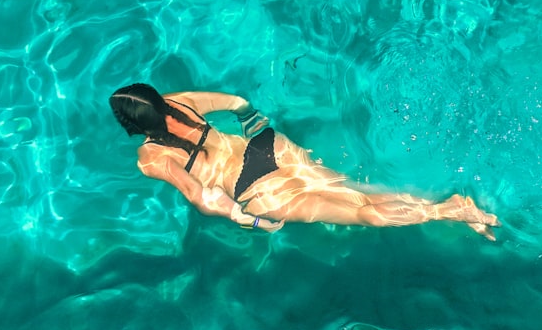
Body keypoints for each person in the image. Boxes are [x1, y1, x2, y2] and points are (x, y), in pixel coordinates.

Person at [108, 83, 499, 239]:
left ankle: (450, 211)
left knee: (366, 215)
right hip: (267, 147)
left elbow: (201, 198)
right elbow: (238, 104)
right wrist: (252, 124)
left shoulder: (151, 158)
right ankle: (444, 207)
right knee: (357, 193)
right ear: (156, 99)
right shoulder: (181, 101)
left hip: (255, 189)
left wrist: (250, 220)